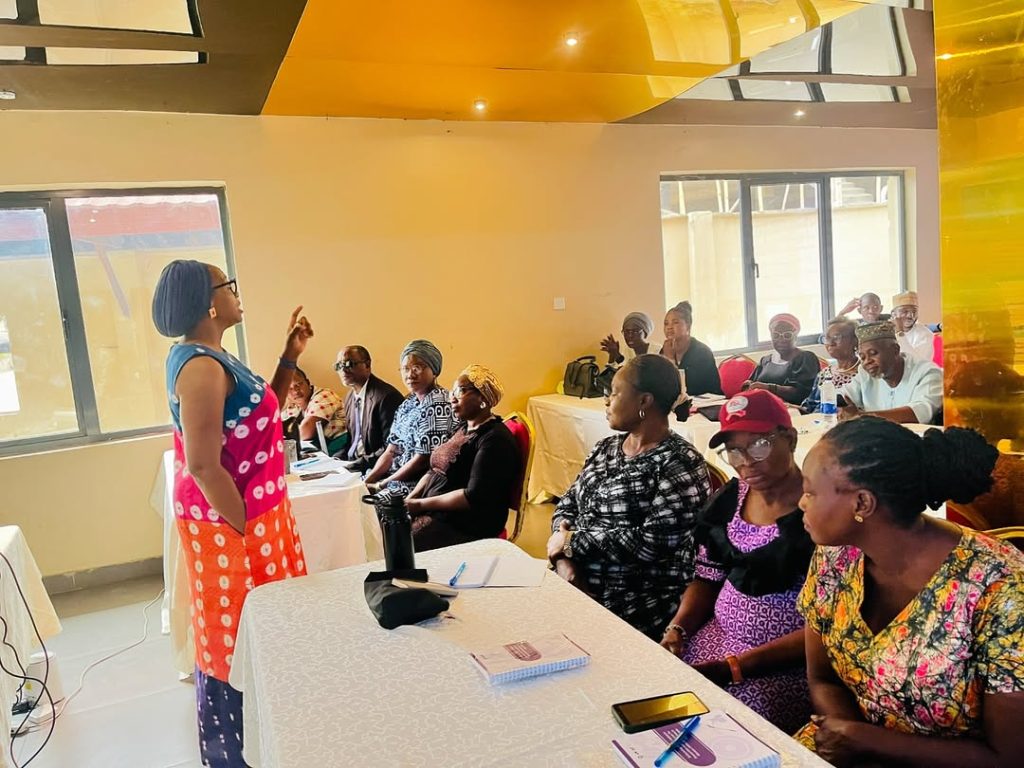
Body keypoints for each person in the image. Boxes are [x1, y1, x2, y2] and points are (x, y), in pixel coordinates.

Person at [151, 260, 312, 768]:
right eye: (229, 286)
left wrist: (290, 355)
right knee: (235, 637)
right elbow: (202, 465)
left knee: (271, 627)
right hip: (231, 529)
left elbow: (261, 413)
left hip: (257, 519)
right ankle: (237, 754)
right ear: (208, 302)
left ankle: (280, 737)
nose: (238, 295)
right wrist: (247, 529)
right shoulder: (199, 367)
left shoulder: (217, 356)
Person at [796, 417, 1024, 766]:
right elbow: (823, 677)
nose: (801, 503)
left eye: (810, 492)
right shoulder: (835, 556)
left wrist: (869, 743)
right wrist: (847, 737)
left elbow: (1009, 756)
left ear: (862, 504)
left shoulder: (999, 589)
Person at [661, 390, 814, 733]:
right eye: (733, 450)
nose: (746, 461)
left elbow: (828, 627)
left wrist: (734, 668)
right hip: (715, 642)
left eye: (759, 444)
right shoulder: (731, 499)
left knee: (730, 726)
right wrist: (678, 628)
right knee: (661, 702)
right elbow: (706, 578)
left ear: (788, 438)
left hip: (785, 664)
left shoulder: (818, 511)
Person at [547, 354, 712, 639]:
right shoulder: (606, 448)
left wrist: (573, 542)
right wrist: (565, 563)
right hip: (572, 579)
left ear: (644, 401)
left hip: (637, 600)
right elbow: (568, 504)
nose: (606, 400)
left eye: (614, 392)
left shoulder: (680, 462)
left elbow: (653, 543)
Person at [405, 365, 520, 550]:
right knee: (386, 525)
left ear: (482, 398)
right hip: (436, 510)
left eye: (460, 391)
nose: (452, 397)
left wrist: (419, 505)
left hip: (467, 523)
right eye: (453, 390)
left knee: (401, 544)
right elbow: (434, 469)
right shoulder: (465, 427)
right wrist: (410, 499)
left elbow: (472, 497)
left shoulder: (495, 440)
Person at [364, 340, 457, 499]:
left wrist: (381, 484)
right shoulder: (409, 403)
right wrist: (369, 481)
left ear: (434, 370)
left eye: (417, 368)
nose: (410, 374)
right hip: (395, 478)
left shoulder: (438, 403)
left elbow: (423, 460)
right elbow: (392, 450)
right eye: (406, 368)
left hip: (419, 484)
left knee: (364, 506)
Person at [839, 320, 943, 425]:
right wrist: (839, 405)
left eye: (873, 353)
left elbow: (919, 413)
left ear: (895, 350)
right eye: (862, 357)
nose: (867, 361)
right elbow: (843, 397)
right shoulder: (864, 372)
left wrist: (861, 416)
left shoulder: (928, 372)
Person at [334, 345, 404, 470]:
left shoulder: (386, 397)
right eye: (339, 366)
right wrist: (335, 460)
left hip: (375, 468)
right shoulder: (350, 396)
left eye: (349, 364)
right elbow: (352, 441)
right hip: (354, 464)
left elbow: (391, 448)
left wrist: (357, 465)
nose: (343, 370)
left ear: (367, 365)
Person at [743, 314, 819, 406]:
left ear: (796, 335)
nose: (781, 339)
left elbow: (802, 394)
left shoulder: (806, 358)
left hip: (793, 411)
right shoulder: (765, 361)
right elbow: (752, 385)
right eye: (776, 335)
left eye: (787, 335)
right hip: (762, 408)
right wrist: (748, 385)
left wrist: (768, 388)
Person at [659, 301, 722, 397]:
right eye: (666, 324)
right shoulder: (664, 350)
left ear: (688, 326)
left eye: (675, 322)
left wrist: (670, 359)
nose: (669, 327)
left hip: (706, 404)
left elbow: (685, 388)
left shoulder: (701, 352)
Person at [280, 367, 347, 451]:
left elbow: (306, 432)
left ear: (308, 383)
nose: (296, 391)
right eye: (289, 389)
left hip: (343, 447)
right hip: (324, 452)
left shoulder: (325, 395)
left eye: (298, 384)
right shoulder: (292, 408)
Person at [800, 318, 860, 413]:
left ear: (855, 340)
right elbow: (810, 406)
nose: (830, 343)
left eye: (836, 337)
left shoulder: (863, 373)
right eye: (827, 338)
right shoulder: (824, 373)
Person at [892, 290, 936, 364]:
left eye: (914, 312)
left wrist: (900, 334)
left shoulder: (925, 334)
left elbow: (917, 363)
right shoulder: (885, 332)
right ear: (893, 314)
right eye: (904, 311)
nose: (910, 316)